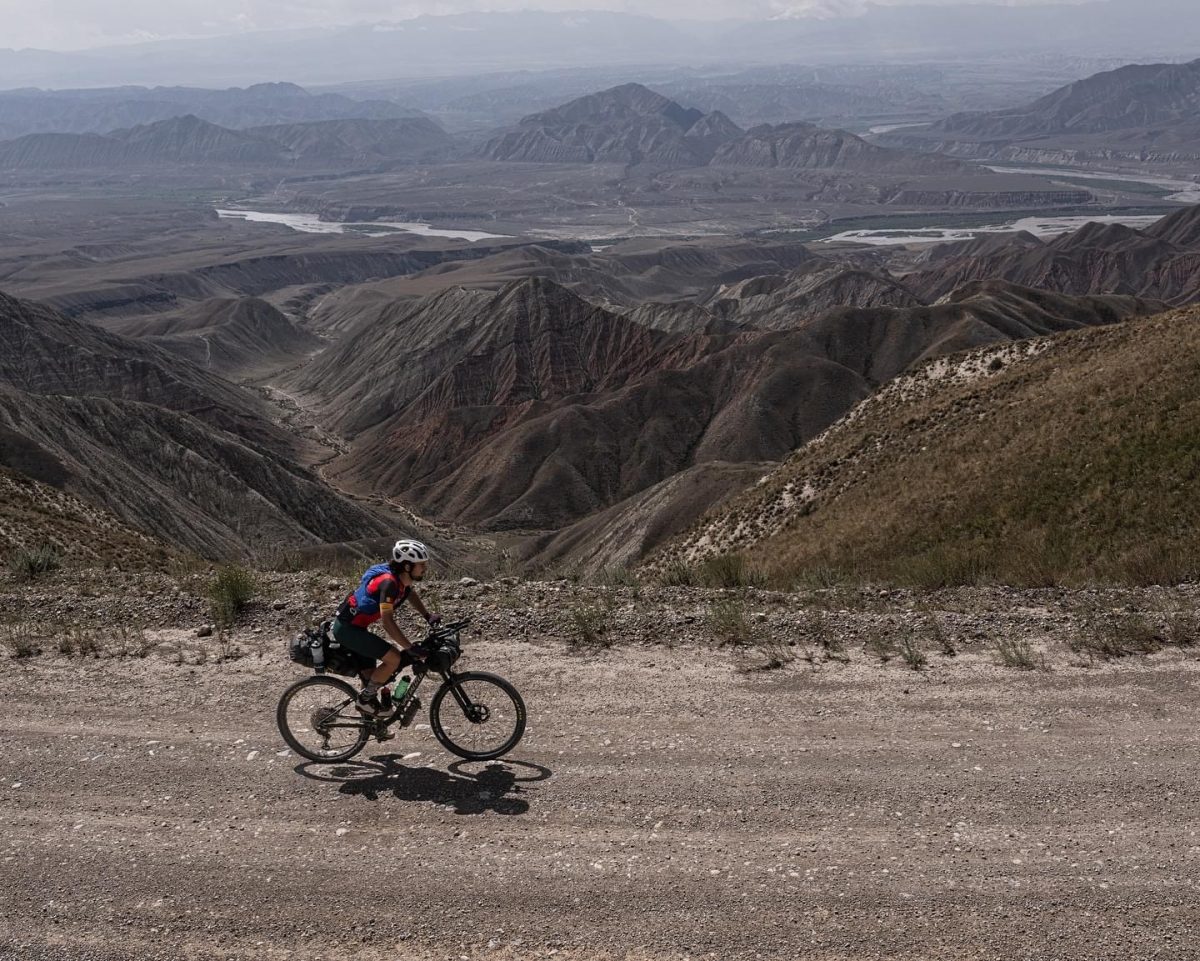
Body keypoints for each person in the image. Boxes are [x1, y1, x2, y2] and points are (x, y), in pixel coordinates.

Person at [331, 538, 441, 717]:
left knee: (371, 677)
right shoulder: (389, 584)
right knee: (394, 658)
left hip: (356, 627)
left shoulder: (401, 581)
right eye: (421, 564)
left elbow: (409, 593)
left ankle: (372, 723)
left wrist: (427, 615)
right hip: (347, 630)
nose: (425, 568)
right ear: (407, 567)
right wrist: (409, 648)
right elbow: (387, 622)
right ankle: (364, 701)